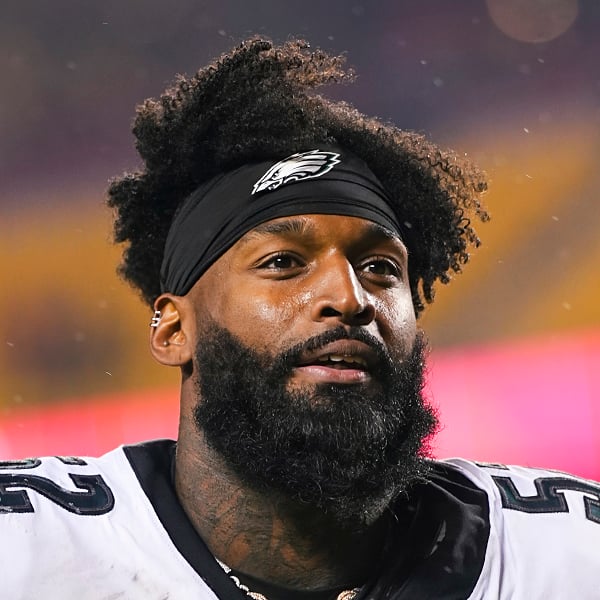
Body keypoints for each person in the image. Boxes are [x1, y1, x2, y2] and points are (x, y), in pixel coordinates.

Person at [1, 38, 599, 600]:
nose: (350, 297)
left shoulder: (569, 556)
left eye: (380, 268)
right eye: (283, 262)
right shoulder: (27, 549)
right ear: (175, 330)